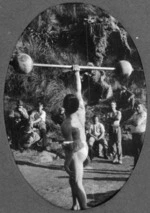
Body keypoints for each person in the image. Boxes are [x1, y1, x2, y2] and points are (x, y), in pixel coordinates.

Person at [61, 65, 88, 210]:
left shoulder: (66, 124)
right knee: (73, 180)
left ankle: (84, 207)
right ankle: (75, 204)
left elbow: (70, 147)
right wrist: (77, 72)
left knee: (77, 182)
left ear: (64, 107)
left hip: (77, 150)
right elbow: (78, 90)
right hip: (83, 146)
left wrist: (66, 162)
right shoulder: (81, 109)